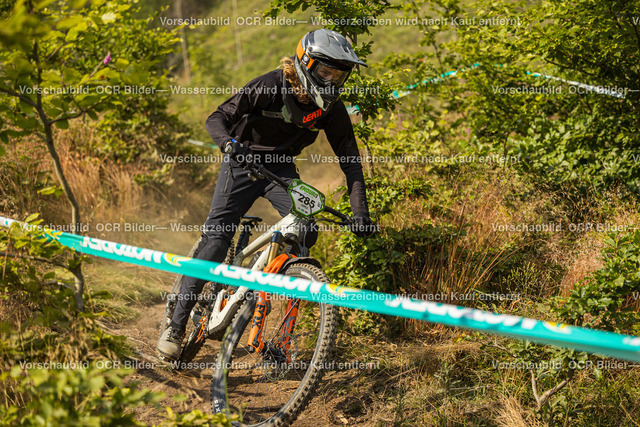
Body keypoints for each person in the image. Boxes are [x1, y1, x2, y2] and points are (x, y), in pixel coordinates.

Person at [157, 29, 377, 361]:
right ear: (306, 63)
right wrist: (229, 145)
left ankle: (273, 313)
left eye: (339, 75)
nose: (331, 81)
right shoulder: (271, 86)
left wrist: (360, 213)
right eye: (325, 72)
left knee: (306, 231)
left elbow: (351, 163)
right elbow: (217, 118)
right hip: (242, 161)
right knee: (217, 241)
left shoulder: (331, 108)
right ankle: (175, 326)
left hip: (280, 169)